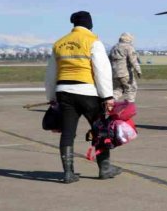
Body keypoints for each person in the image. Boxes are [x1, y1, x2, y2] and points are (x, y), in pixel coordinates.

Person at [44, 11, 118, 182]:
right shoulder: (92, 41)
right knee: (100, 130)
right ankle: (105, 168)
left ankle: (68, 173)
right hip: (88, 93)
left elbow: (50, 75)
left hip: (64, 93)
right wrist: (107, 96)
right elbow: (102, 71)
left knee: (68, 133)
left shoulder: (59, 44)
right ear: (90, 25)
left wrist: (51, 96)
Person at [109, 32, 142, 103]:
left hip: (114, 74)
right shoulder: (129, 47)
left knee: (118, 89)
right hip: (125, 73)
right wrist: (138, 70)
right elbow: (133, 60)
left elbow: (109, 60)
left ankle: (109, 103)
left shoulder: (114, 47)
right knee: (132, 89)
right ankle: (129, 106)